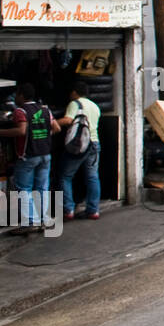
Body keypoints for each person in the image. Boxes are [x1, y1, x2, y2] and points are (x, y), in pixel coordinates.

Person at [0, 83, 54, 229]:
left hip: (28, 155)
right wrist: (42, 136)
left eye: (17, 94)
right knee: (42, 188)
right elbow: (56, 127)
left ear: (21, 95)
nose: (15, 97)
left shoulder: (21, 111)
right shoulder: (45, 109)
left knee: (24, 188)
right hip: (45, 154)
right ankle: (44, 219)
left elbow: (21, 131)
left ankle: (31, 221)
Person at [55, 81, 101, 221]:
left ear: (75, 92)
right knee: (92, 177)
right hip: (94, 143)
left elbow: (68, 120)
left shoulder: (75, 104)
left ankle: (68, 210)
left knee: (65, 176)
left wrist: (52, 122)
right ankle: (93, 210)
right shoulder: (94, 106)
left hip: (79, 144)